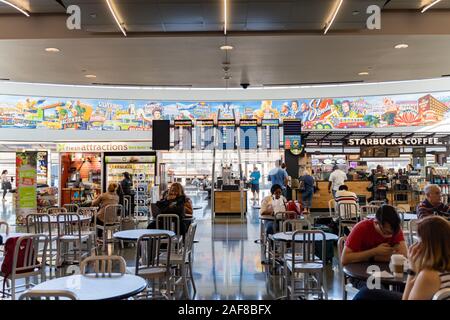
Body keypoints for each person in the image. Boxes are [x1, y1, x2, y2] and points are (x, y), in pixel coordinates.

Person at [354, 215, 450, 300]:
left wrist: (412, 271)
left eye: (419, 241)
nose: (415, 245)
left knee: (366, 293)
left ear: (429, 246)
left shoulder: (429, 276)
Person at [341, 204, 407, 266]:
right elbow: (344, 259)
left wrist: (373, 258)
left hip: (385, 270)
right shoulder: (361, 228)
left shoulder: (394, 228)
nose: (391, 236)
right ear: (376, 223)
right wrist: (374, 251)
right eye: (386, 232)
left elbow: (404, 255)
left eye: (393, 233)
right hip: (360, 270)